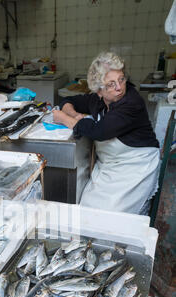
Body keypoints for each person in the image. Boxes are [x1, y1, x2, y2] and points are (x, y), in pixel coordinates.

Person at [52, 51, 160, 215]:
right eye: (110, 84)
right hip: (110, 166)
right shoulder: (97, 100)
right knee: (87, 211)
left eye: (121, 79)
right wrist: (74, 114)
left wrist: (65, 119)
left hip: (136, 166)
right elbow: (68, 101)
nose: (119, 87)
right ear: (99, 91)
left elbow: (99, 131)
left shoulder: (132, 102)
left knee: (112, 217)